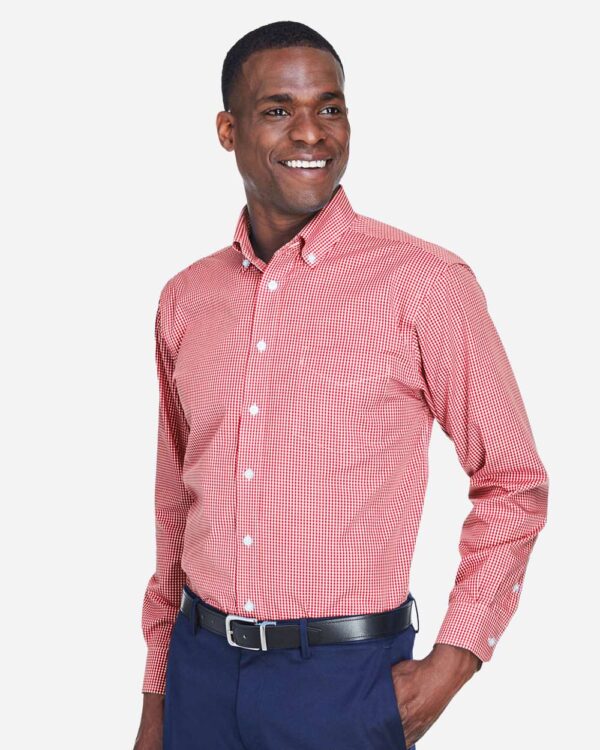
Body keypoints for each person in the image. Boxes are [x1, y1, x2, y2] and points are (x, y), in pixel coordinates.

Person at [133, 20, 549, 750]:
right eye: (278, 109)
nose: (311, 132)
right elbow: (175, 511)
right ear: (228, 130)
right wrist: (157, 698)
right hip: (200, 675)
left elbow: (513, 481)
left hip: (344, 684)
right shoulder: (186, 299)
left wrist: (454, 661)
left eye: (330, 108)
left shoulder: (424, 282)